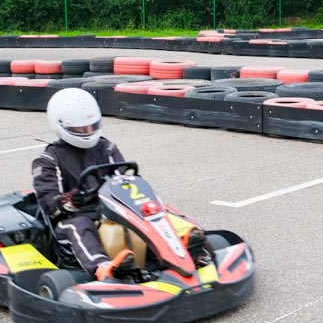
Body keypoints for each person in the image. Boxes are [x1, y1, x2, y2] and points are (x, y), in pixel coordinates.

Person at [32, 88, 211, 281]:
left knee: (149, 214)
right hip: (73, 218)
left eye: (92, 126)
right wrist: (71, 200)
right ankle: (104, 267)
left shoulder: (107, 148)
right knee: (79, 225)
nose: (88, 132)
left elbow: (124, 182)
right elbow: (48, 203)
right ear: (62, 126)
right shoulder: (49, 160)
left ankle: (180, 254)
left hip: (109, 211)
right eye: (80, 129)